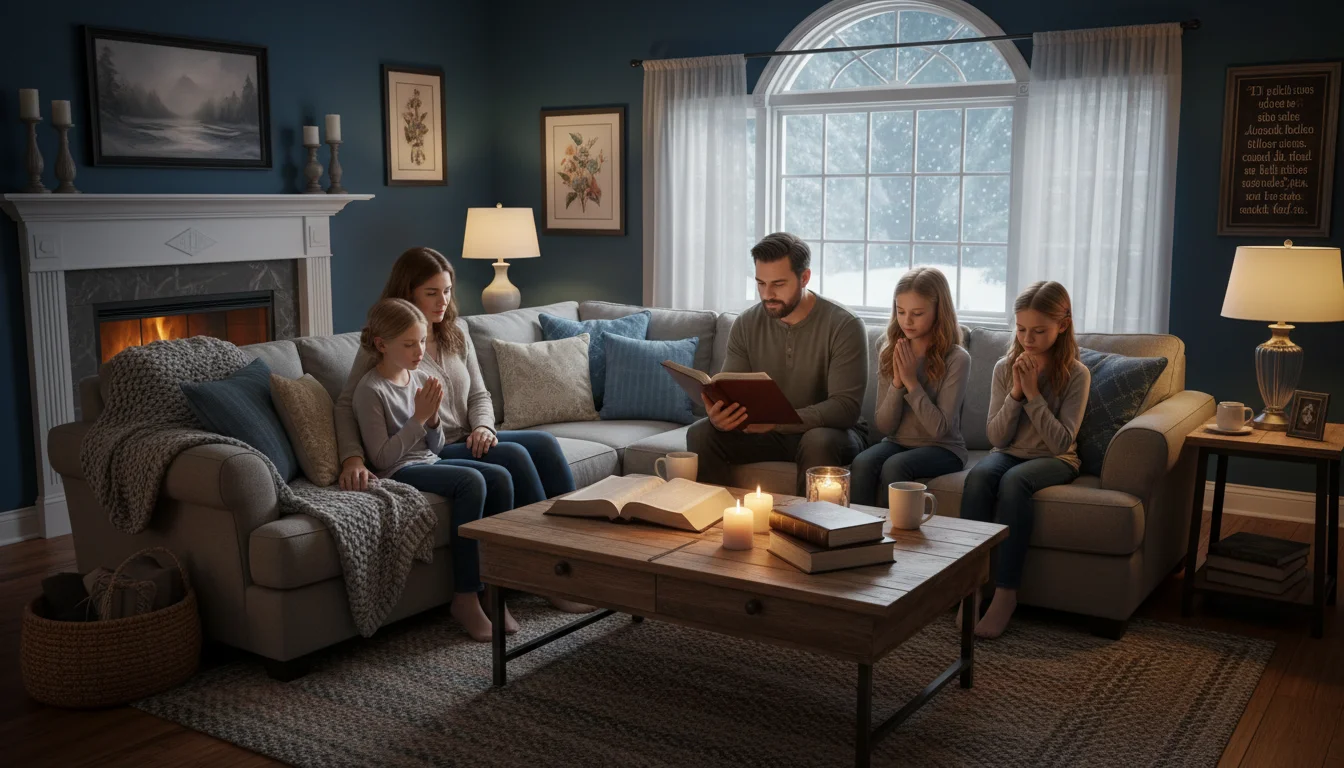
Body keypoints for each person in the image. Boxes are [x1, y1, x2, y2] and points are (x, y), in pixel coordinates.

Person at [334, 247, 590, 614]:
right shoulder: (389, 342)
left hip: (467, 436)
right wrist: (352, 459)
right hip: (435, 445)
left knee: (545, 444)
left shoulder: (455, 333)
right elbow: (346, 405)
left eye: (447, 291)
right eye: (431, 292)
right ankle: (545, 574)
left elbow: (480, 394)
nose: (443, 301)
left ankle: (577, 558)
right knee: (515, 456)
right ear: (407, 293)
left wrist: (484, 426)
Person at [351, 298, 517, 642]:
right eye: (409, 344)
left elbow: (437, 447)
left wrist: (433, 421)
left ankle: (496, 589)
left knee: (500, 477)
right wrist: (418, 418)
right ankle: (466, 596)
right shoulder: (370, 390)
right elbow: (382, 458)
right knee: (472, 481)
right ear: (382, 344)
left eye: (422, 342)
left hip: (428, 460)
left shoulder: (421, 378)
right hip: (398, 470)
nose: (419, 351)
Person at [686, 232, 869, 493]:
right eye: (761, 283)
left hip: (832, 433)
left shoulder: (845, 325)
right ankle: (715, 513)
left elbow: (845, 408)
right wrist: (719, 415)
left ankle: (810, 519)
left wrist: (778, 422)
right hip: (768, 433)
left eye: (778, 284)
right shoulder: (746, 323)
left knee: (817, 440)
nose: (767, 294)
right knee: (701, 433)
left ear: (804, 278)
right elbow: (730, 390)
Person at [960, 281, 1090, 639]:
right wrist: (1016, 393)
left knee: (1015, 482)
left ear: (1062, 325)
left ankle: (1006, 594)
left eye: (1038, 331)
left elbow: (1060, 442)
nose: (1027, 339)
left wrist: (1033, 394)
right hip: (1008, 453)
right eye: (1020, 330)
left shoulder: (1077, 374)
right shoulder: (1005, 367)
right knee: (979, 477)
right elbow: (996, 438)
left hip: (1056, 459)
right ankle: (970, 587)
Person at [850, 267, 969, 507]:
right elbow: (884, 426)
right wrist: (897, 383)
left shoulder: (957, 358)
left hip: (944, 448)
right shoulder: (889, 349)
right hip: (897, 441)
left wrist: (912, 382)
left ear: (939, 311)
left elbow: (939, 429)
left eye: (917, 313)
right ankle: (861, 528)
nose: (907, 321)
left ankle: (897, 530)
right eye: (901, 311)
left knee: (896, 465)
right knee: (862, 462)